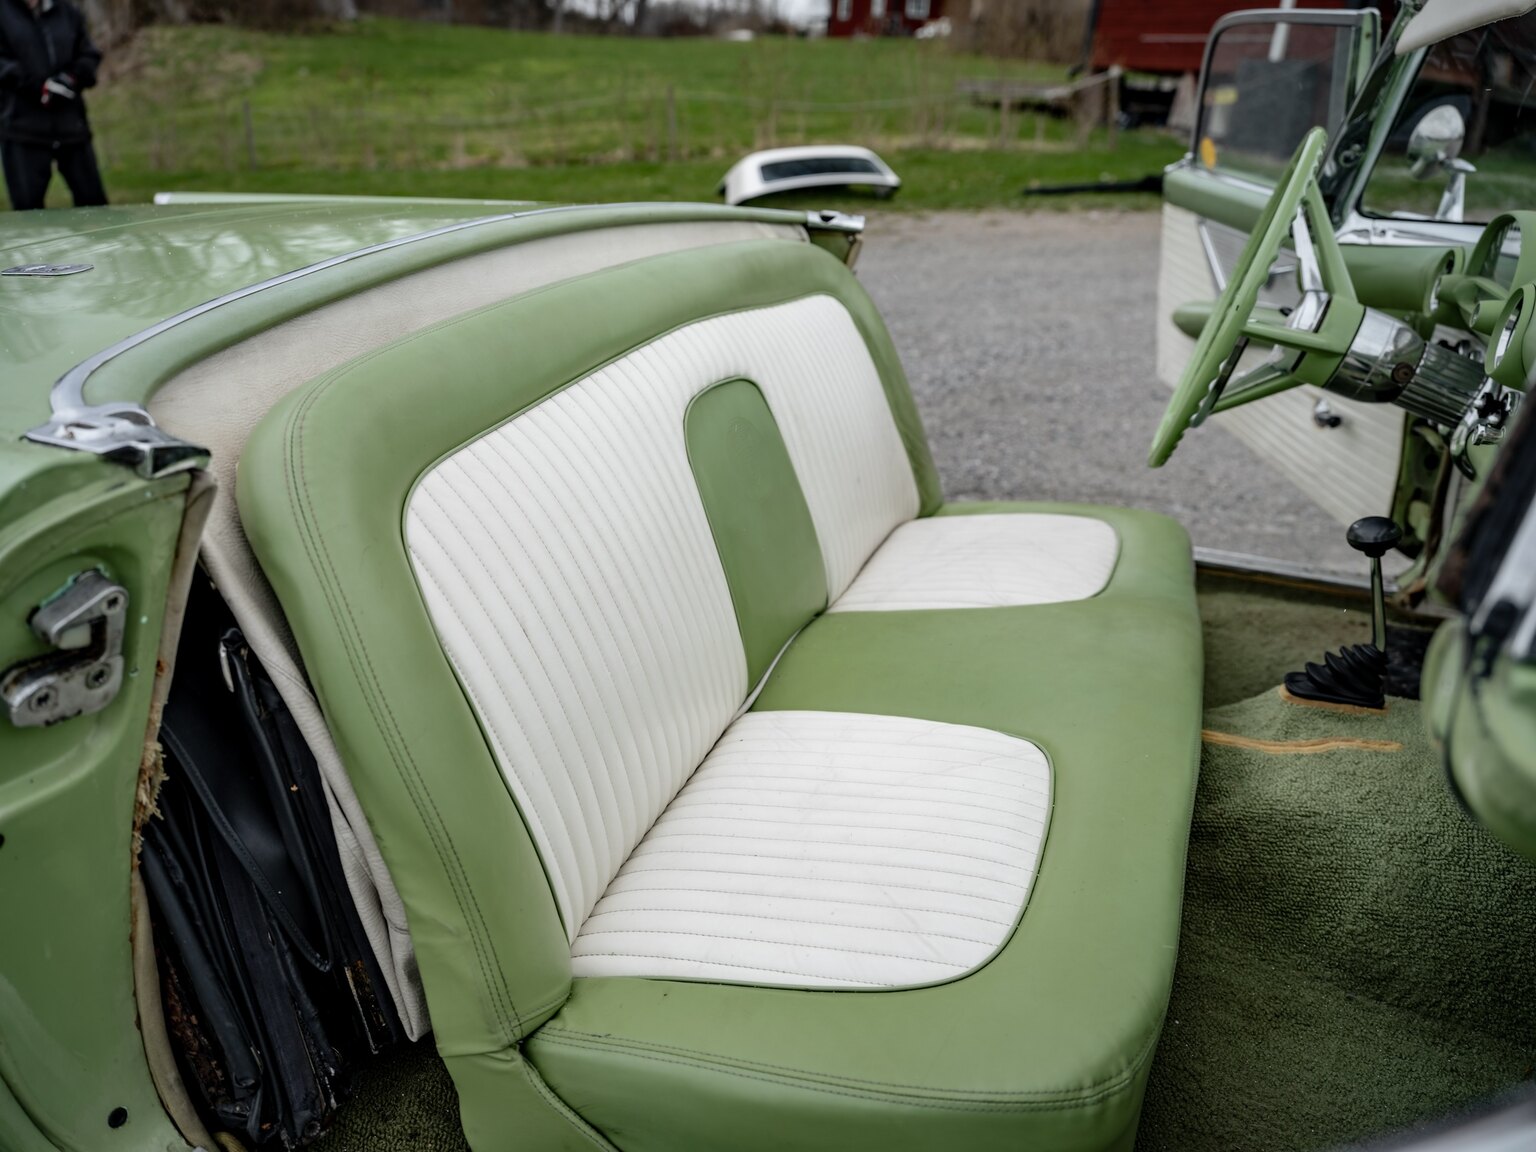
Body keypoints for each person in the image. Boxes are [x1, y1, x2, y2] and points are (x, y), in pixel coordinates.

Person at [0, 0, 105, 210]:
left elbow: (89, 55)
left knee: (95, 207)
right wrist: (39, 86)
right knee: (28, 215)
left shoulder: (66, 11)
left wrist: (70, 79)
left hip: (71, 127)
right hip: (22, 129)